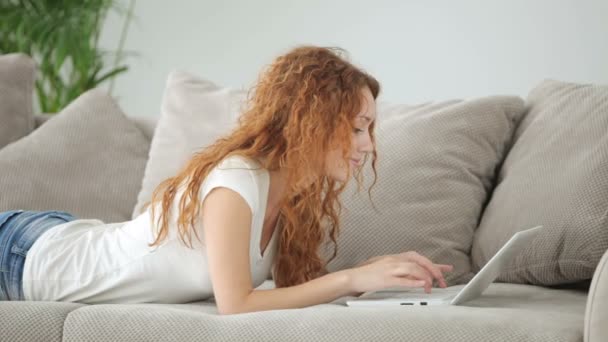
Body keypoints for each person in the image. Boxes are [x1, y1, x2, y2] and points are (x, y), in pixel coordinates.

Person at [0, 46, 453, 314]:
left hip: (63, 234)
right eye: (357, 127)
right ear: (312, 122)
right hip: (24, 255)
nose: (368, 145)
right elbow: (236, 304)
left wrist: (379, 274)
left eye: (369, 129)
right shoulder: (236, 181)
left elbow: (289, 291)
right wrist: (353, 278)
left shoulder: (293, 196)